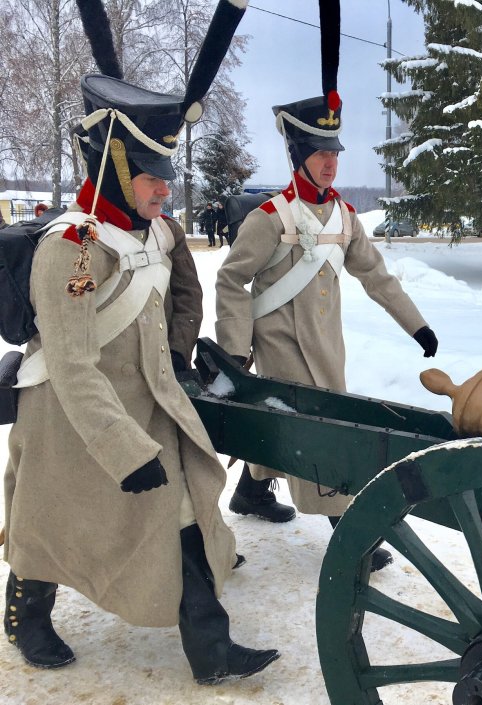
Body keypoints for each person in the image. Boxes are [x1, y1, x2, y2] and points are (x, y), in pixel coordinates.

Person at [3, 0, 279, 684]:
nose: (166, 187)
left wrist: (176, 359)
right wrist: (123, 450)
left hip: (147, 401)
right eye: (154, 175)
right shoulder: (71, 247)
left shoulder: (157, 231)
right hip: (72, 419)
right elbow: (69, 363)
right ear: (117, 170)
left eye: (167, 173)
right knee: (48, 523)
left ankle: (209, 648)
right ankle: (25, 610)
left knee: (182, 512)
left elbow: (180, 298)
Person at [214, 0, 437, 573]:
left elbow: (375, 274)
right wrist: (236, 348)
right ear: (297, 154)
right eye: (320, 152)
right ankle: (349, 532)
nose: (332, 163)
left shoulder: (342, 217)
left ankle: (253, 490)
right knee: (318, 439)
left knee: (284, 427)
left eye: (335, 152)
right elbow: (233, 279)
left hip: (326, 342)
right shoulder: (269, 218)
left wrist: (417, 324)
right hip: (282, 343)